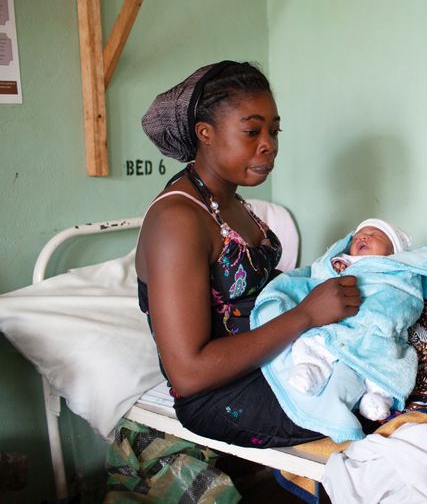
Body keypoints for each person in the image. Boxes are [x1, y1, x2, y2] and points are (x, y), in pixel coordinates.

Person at [135, 60, 362, 449]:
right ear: (205, 133)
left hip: (272, 360)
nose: (269, 144)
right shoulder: (178, 220)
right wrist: (306, 314)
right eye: (252, 131)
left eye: (274, 131)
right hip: (220, 395)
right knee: (379, 396)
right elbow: (188, 373)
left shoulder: (232, 202)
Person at [250, 218, 427, 442]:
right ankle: (311, 369)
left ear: (393, 252)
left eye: (375, 235)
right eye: (359, 234)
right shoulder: (340, 261)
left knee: (380, 363)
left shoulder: (398, 272)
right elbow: (317, 277)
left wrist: (376, 319)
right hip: (335, 323)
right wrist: (333, 270)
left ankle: (377, 396)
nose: (363, 237)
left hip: (373, 329)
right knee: (311, 341)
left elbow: (404, 301)